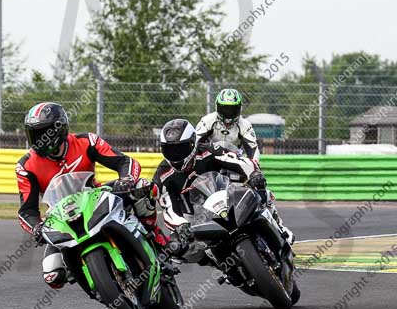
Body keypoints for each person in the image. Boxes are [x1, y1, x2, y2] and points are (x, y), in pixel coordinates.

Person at [17, 102, 159, 289]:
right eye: (33, 134)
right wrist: (36, 228)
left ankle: (156, 237)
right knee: (53, 276)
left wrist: (126, 180)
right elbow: (26, 210)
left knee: (144, 187)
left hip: (96, 197)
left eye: (43, 133)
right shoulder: (26, 166)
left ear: (59, 129)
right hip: (61, 218)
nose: (38, 140)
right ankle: (94, 280)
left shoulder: (86, 142)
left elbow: (125, 162)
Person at [153, 118, 293, 245]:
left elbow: (240, 161)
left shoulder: (209, 151)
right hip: (194, 220)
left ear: (192, 143)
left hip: (224, 200)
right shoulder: (163, 174)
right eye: (170, 149)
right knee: (179, 250)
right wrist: (180, 225)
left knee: (262, 194)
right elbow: (168, 209)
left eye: (180, 148)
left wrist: (254, 174)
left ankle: (280, 228)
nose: (175, 154)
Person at [195, 88, 260, 161]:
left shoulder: (245, 125)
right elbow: (195, 142)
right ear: (217, 107)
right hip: (209, 161)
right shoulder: (207, 121)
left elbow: (253, 149)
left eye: (232, 109)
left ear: (239, 108)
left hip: (234, 162)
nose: (228, 112)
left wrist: (254, 166)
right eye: (225, 108)